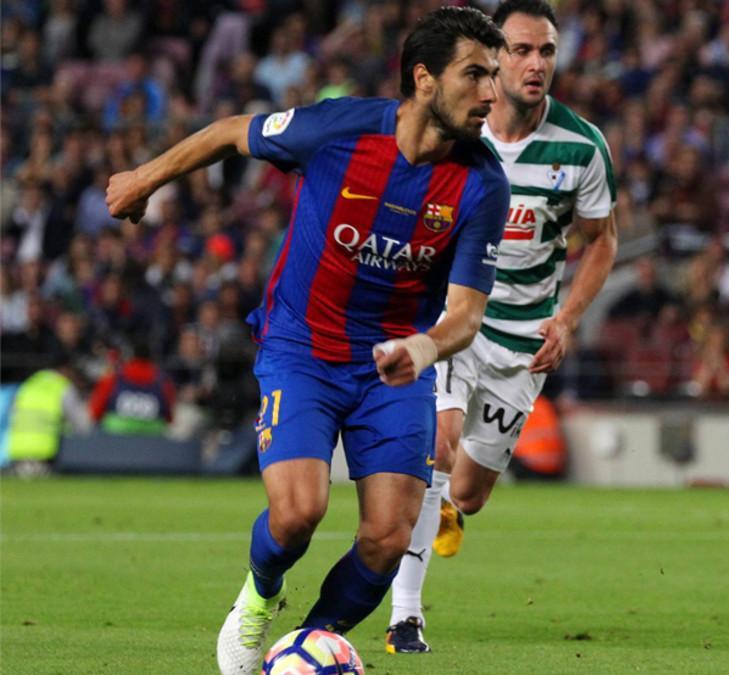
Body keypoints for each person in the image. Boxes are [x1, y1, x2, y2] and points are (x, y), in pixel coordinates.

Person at [105, 8, 508, 674]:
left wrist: (424, 350)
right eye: (476, 74)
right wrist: (145, 178)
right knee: (297, 514)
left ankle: (308, 646)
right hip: (304, 349)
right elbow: (234, 132)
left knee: (387, 536)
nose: (492, 92)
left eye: (494, 75)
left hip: (396, 366)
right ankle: (260, 597)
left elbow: (465, 313)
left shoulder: (483, 184)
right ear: (425, 79)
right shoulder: (340, 129)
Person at [386, 0, 618, 654]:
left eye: (545, 51)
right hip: (457, 317)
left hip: (525, 344)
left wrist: (568, 318)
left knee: (471, 489)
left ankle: (451, 507)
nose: (534, 63)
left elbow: (602, 241)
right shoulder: (461, 132)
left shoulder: (581, 146)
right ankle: (406, 616)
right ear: (494, 59)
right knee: (438, 445)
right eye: (520, 50)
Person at [88, 336, 177, 436]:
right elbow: (170, 418)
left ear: (130, 356)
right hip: (152, 443)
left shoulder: (113, 379)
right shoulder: (163, 382)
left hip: (114, 441)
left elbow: (94, 413)